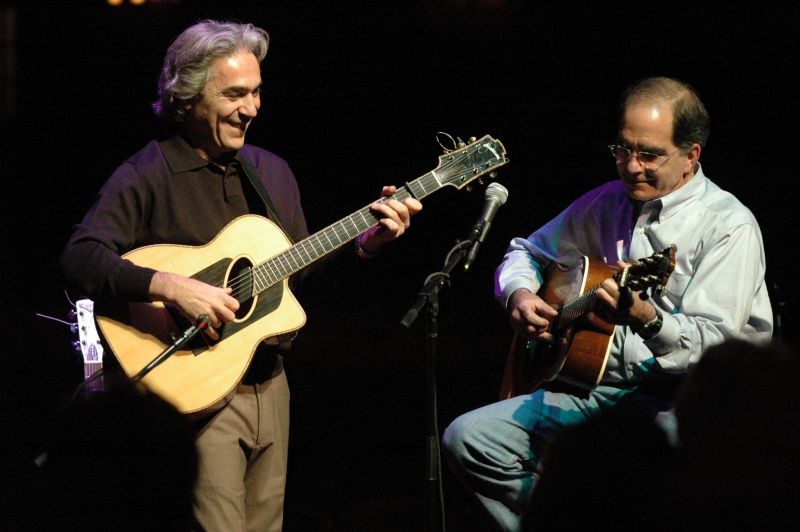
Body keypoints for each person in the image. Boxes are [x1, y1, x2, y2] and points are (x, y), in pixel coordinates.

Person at [58, 19, 422, 532]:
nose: (251, 108)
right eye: (234, 94)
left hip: (271, 386)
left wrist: (366, 244)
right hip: (196, 389)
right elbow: (80, 257)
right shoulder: (147, 174)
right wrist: (172, 286)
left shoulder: (271, 172)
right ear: (187, 97)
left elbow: (299, 284)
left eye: (256, 92)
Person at [441, 76, 772, 532]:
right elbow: (527, 251)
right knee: (469, 439)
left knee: (634, 479)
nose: (631, 167)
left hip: (681, 406)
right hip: (590, 391)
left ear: (691, 155)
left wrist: (648, 319)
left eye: (649, 154)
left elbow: (719, 350)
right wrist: (519, 294)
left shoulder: (728, 226)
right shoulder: (605, 202)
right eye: (622, 149)